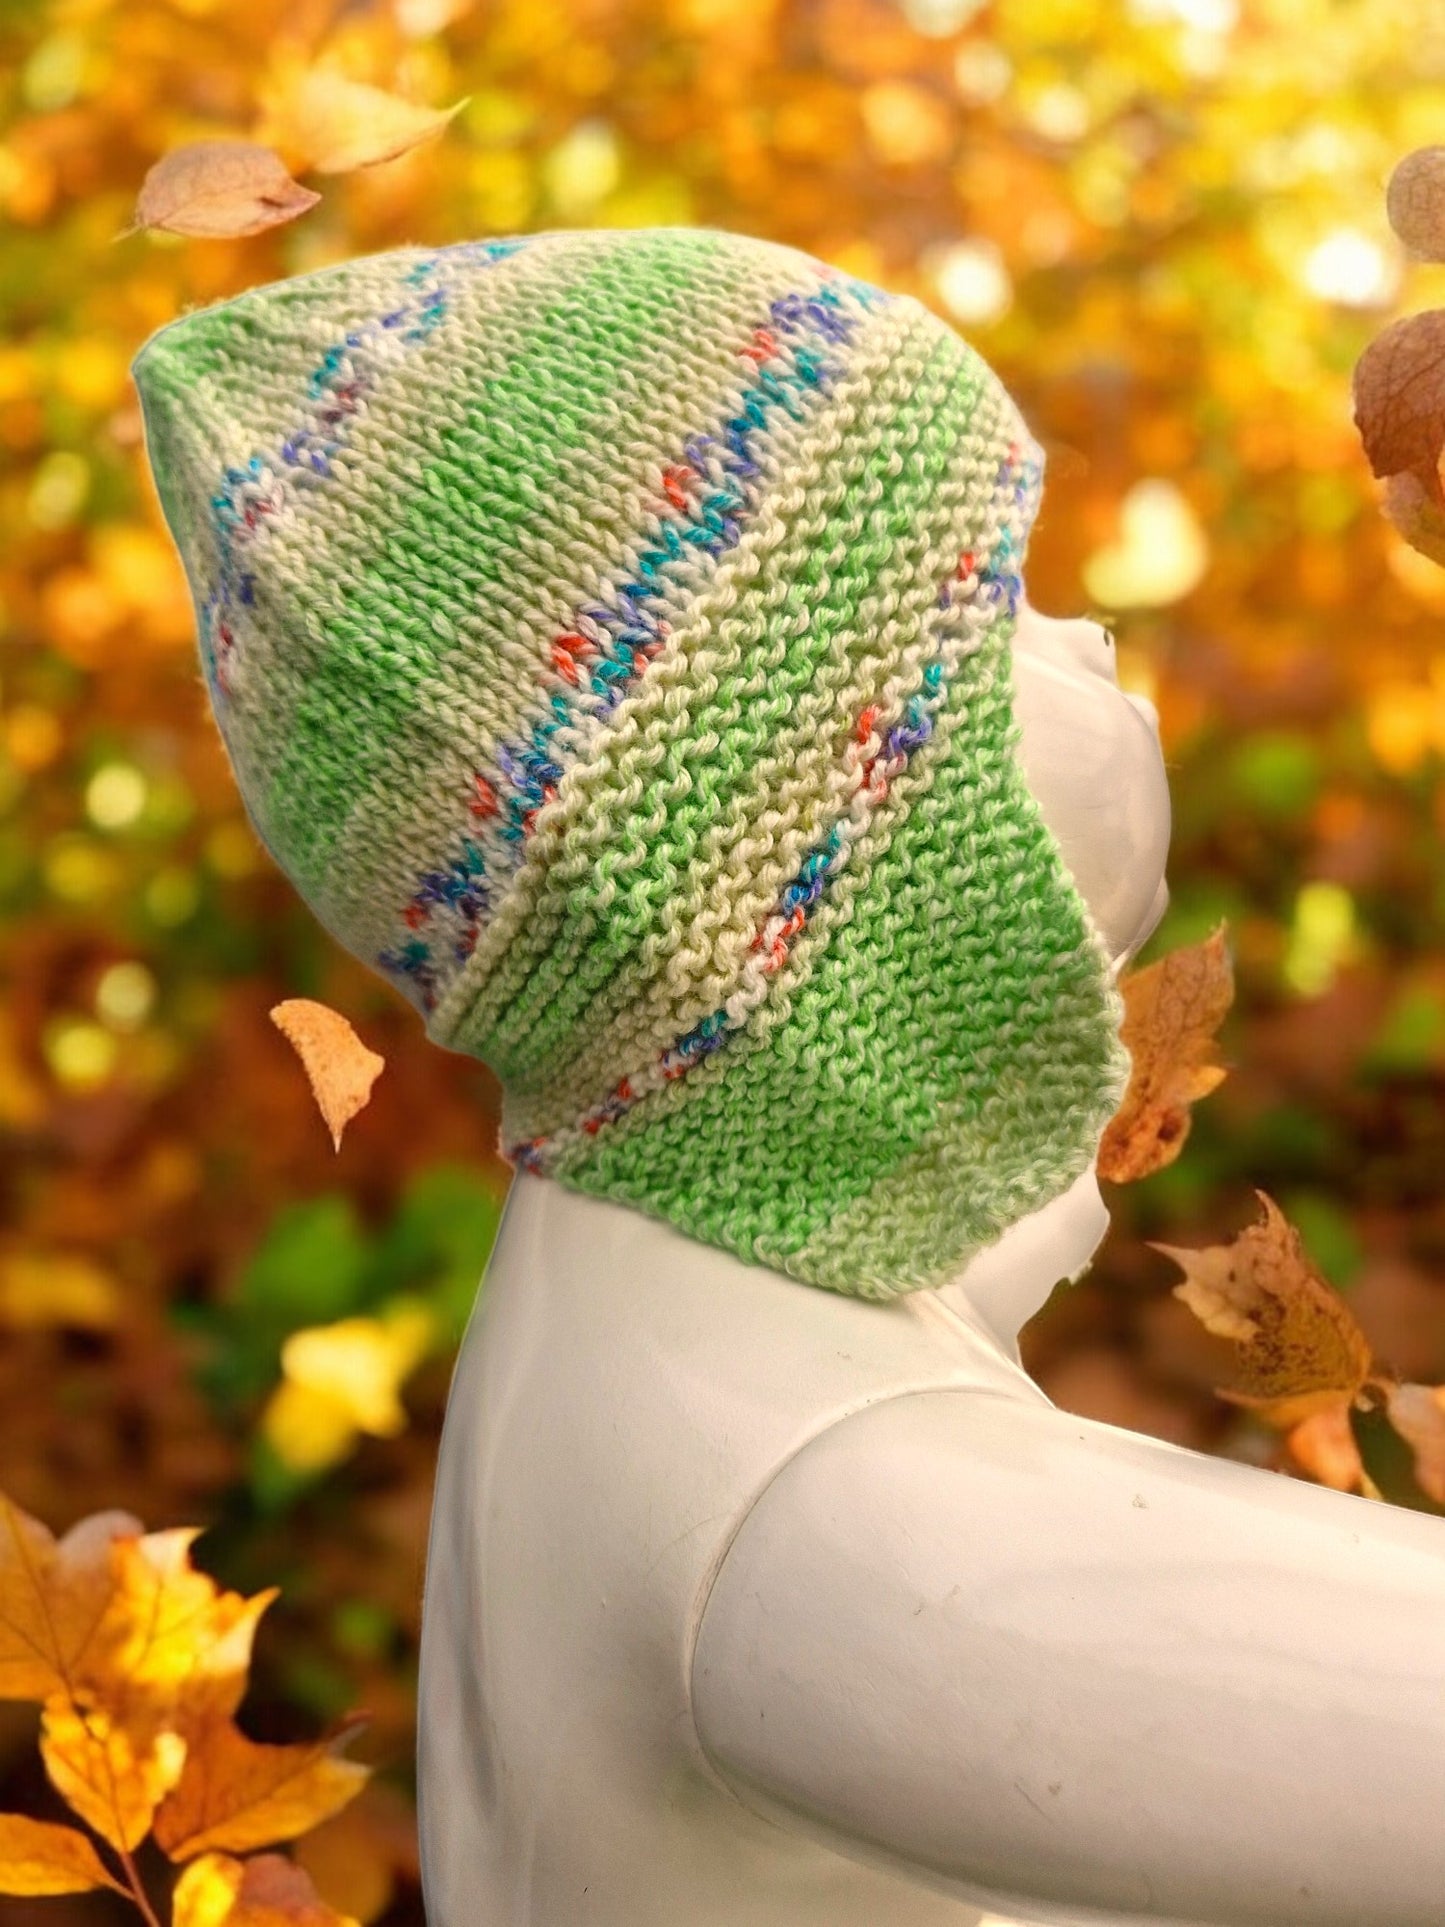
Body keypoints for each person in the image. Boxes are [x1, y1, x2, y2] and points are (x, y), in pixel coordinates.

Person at [132, 227, 1445, 1927]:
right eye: (1001, 605)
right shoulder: (830, 1515)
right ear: (817, 831)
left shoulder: (671, 1342)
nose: (1097, 633)